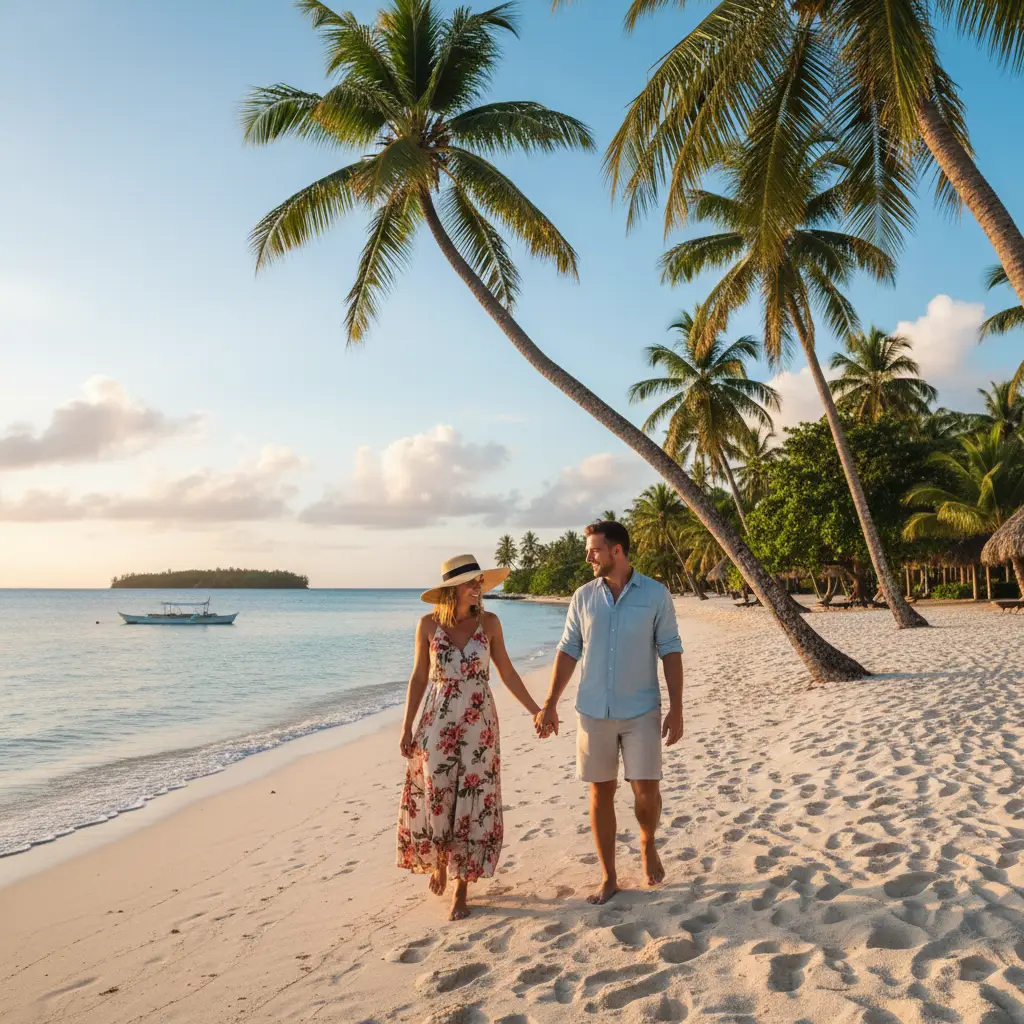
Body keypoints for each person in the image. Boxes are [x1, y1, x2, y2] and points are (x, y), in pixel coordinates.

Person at [535, 521, 684, 905]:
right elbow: (568, 651)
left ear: (617, 551)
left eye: (594, 550)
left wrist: (677, 708)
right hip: (593, 711)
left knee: (646, 791)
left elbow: (670, 651)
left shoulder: (655, 595)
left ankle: (648, 843)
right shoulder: (583, 597)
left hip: (641, 710)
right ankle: (609, 875)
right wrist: (550, 702)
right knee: (600, 792)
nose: (588, 556)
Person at [396, 554, 545, 921]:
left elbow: (506, 672)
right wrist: (406, 725)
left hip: (479, 721)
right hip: (437, 720)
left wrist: (536, 710)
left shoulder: (490, 623)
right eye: (472, 582)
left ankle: (462, 885)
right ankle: (440, 863)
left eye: (480, 581)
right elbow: (418, 677)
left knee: (473, 797)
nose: (479, 587)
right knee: (438, 793)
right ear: (452, 589)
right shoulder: (427, 625)